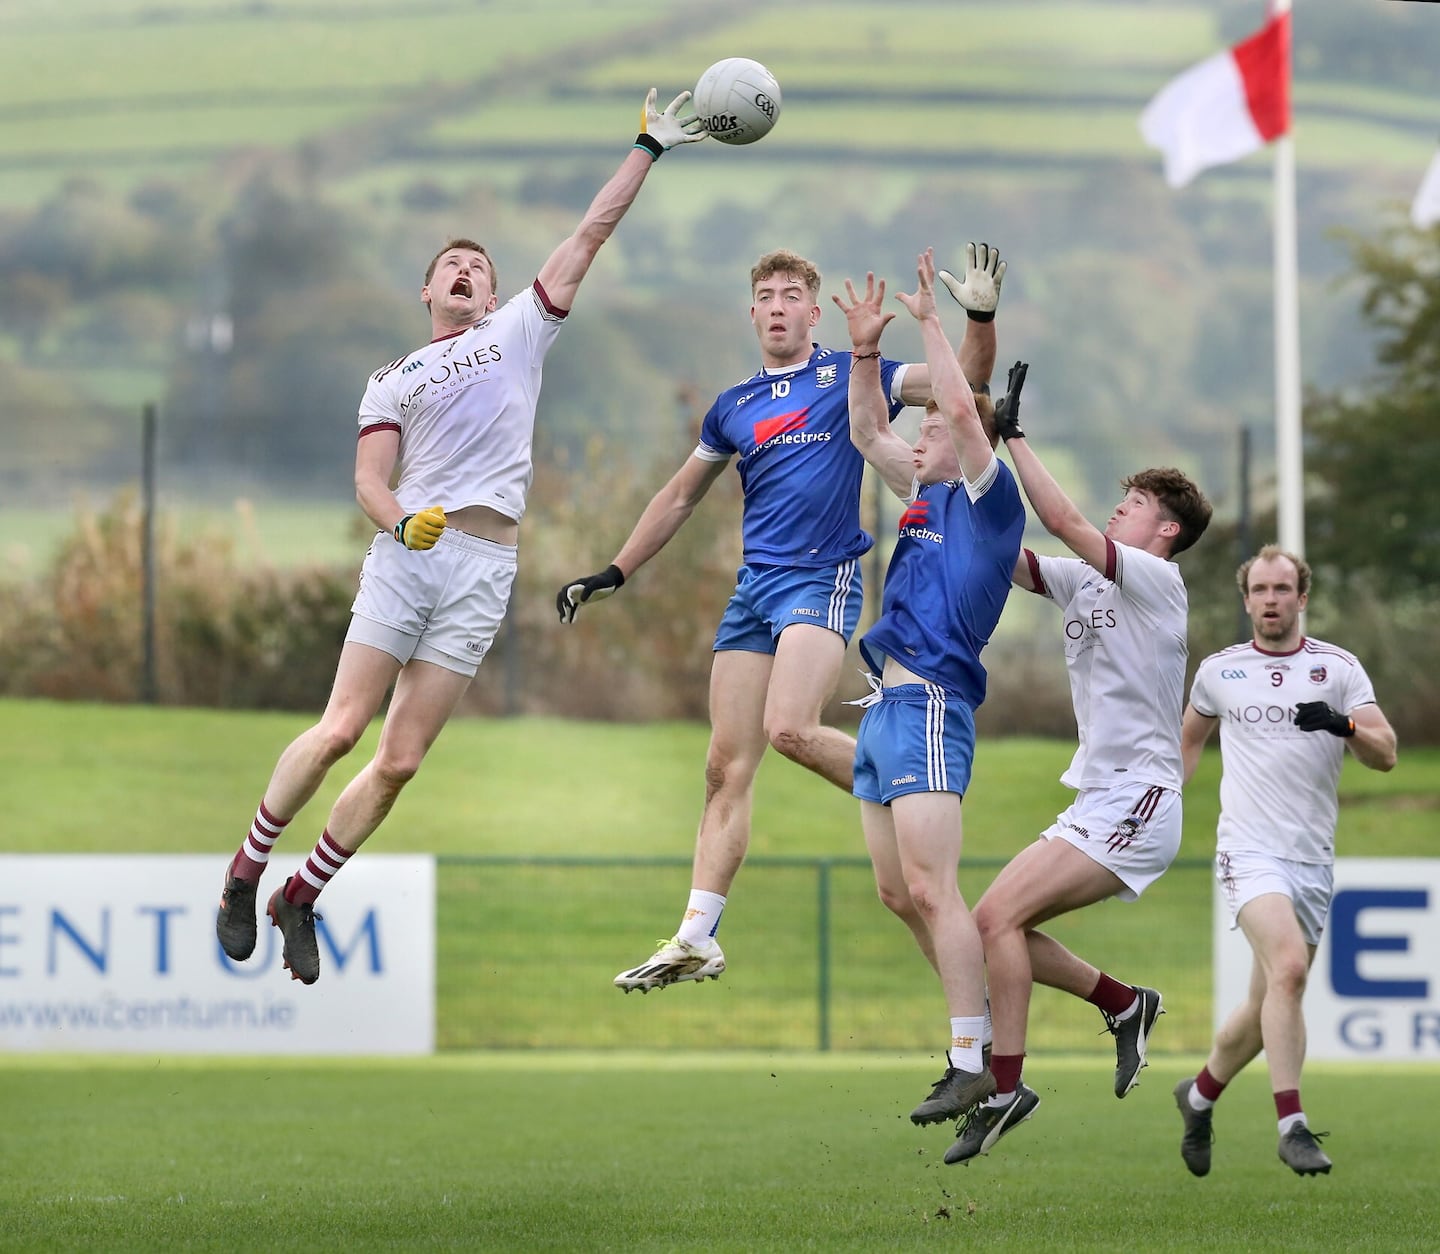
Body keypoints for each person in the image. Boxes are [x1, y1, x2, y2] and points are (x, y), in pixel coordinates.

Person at [215, 89, 708, 984]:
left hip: (485, 568)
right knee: (338, 733)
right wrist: (401, 520)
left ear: (492, 292)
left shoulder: (520, 331)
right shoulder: (393, 378)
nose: (466, 271)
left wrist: (647, 146)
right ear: (426, 289)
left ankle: (302, 896)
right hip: (411, 556)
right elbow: (369, 481)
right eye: (450, 263)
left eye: (479, 265)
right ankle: (246, 873)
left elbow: (590, 234)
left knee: (399, 763)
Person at [556, 243, 1008, 992]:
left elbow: (969, 381)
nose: (775, 305)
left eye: (790, 293)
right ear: (751, 311)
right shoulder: (732, 406)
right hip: (754, 591)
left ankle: (904, 782)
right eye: (764, 293)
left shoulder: (850, 374)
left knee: (789, 727)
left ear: (812, 307)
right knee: (723, 765)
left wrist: (980, 317)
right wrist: (615, 570)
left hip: (819, 580)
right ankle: (698, 936)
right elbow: (678, 497)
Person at [945, 378, 1213, 1166]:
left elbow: (1057, 519)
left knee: (992, 922)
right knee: (999, 924)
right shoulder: (1088, 579)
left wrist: (1013, 434)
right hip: (1100, 796)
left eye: (1132, 505)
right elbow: (1013, 553)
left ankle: (1004, 1088)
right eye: (1120, 501)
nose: (1116, 510)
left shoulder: (1157, 582)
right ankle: (1125, 1004)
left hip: (1142, 800)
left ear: (1164, 530)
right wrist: (964, 465)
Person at [835, 252, 1026, 1126]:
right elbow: (868, 428)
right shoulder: (922, 492)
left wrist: (935, 323)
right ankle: (974, 1041)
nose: (921, 438)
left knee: (933, 886)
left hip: (932, 704)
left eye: (936, 434)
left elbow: (956, 402)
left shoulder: (990, 506)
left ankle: (969, 1057)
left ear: (970, 441)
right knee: (896, 891)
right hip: (884, 706)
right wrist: (868, 352)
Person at [1175, 545, 1397, 1178]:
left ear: (1302, 598)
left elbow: (1386, 754)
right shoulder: (1220, 671)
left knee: (1262, 1004)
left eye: (1282, 589)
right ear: (1246, 601)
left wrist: (1345, 727)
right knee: (1292, 971)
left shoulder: (1338, 669)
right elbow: (1188, 743)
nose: (1270, 600)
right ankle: (1291, 1124)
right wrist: (1158, 806)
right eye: (1260, 590)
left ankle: (1197, 1097)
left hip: (1311, 861)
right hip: (1246, 851)